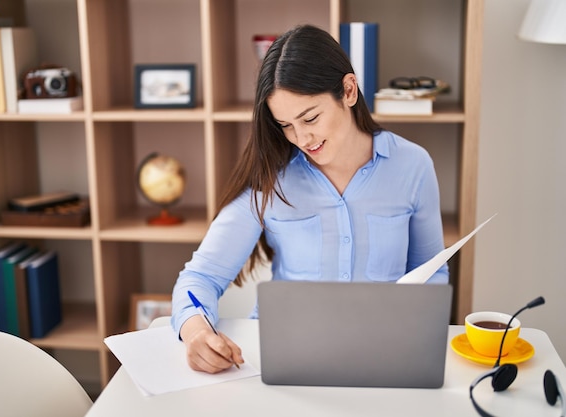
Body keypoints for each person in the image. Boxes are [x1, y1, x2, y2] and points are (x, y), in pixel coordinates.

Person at [171, 24, 448, 374]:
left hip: (382, 357)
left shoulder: (413, 166)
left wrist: (415, 332)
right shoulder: (271, 178)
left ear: (348, 91)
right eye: (285, 125)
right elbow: (200, 278)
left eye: (310, 117)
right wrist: (196, 333)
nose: (301, 137)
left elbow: (432, 272)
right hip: (284, 359)